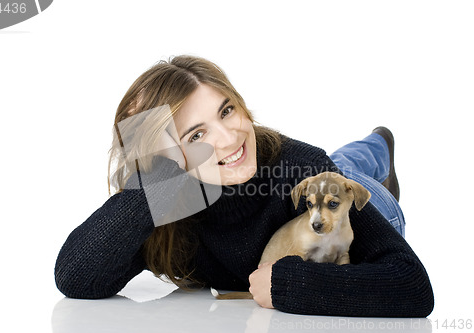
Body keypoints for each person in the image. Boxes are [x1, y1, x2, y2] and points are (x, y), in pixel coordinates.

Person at [54, 55, 434, 317]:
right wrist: (153, 168)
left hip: (364, 203)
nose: (229, 138)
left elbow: (412, 285)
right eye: (197, 133)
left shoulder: (301, 165)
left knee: (346, 171)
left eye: (226, 110)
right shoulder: (167, 198)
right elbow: (77, 278)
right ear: (169, 157)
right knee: (341, 163)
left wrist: (291, 284)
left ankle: (379, 143)